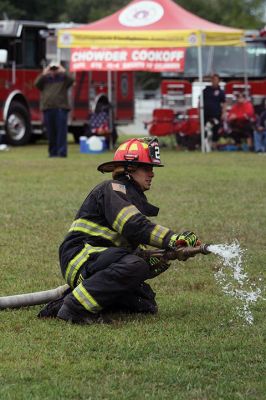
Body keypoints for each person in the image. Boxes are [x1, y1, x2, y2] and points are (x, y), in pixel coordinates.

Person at [39, 137, 200, 324]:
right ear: (130, 168)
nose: (152, 174)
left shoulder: (129, 196)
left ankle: (66, 300)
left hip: (100, 258)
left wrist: (167, 256)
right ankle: (75, 307)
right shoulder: (113, 189)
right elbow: (133, 225)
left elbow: (128, 252)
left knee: (144, 302)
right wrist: (173, 239)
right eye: (147, 168)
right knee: (135, 266)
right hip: (81, 257)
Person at [34, 61, 74, 157]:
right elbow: (36, 84)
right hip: (48, 108)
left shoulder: (63, 79)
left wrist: (63, 70)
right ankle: (52, 152)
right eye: (52, 69)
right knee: (51, 132)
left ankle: (62, 152)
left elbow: (72, 79)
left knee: (61, 132)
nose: (53, 71)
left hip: (61, 109)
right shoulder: (45, 79)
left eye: (55, 68)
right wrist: (44, 73)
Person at [203, 74, 226, 149]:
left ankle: (214, 145)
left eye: (216, 79)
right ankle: (205, 145)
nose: (214, 81)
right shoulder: (206, 90)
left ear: (219, 81)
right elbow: (200, 101)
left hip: (216, 114)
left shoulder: (221, 91)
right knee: (205, 129)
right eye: (213, 79)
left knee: (216, 129)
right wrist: (198, 112)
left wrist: (224, 113)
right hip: (206, 113)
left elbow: (224, 103)